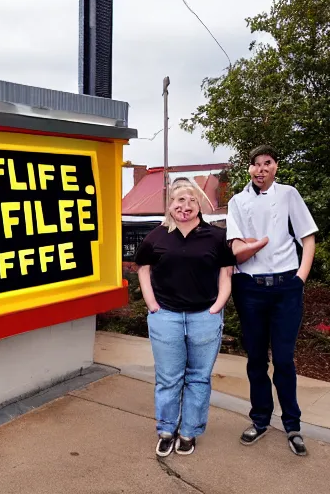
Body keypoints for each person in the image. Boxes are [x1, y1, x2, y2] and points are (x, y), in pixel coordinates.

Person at [226, 144, 318, 456]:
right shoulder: (237, 202)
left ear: (276, 166)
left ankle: (292, 425)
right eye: (256, 164)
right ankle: (260, 420)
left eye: (268, 163)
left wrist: (300, 278)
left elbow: (307, 236)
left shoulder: (289, 194)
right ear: (249, 169)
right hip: (250, 288)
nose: (261, 169)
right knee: (255, 360)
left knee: (282, 359)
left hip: (285, 287)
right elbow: (236, 245)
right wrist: (254, 245)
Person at [135, 178, 235, 457]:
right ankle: (167, 430)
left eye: (192, 200)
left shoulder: (215, 236)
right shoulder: (156, 236)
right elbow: (142, 267)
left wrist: (217, 305)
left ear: (200, 205)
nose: (185, 205)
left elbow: (226, 272)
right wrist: (151, 303)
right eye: (180, 200)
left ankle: (189, 432)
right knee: (168, 378)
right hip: (165, 316)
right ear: (170, 205)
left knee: (199, 379)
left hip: (204, 316)